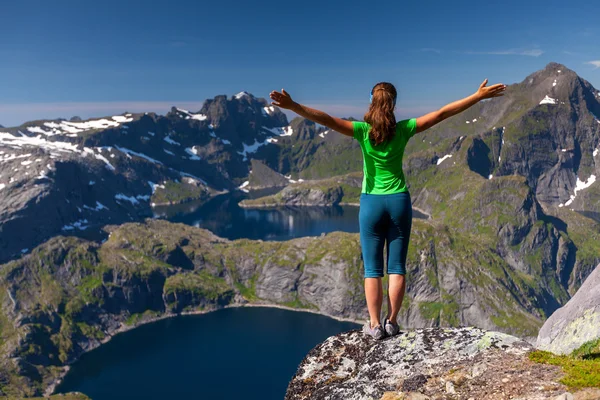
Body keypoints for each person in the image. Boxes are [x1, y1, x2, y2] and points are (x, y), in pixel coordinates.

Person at [269, 79, 506, 339]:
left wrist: (293, 106)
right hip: (399, 202)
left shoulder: (361, 131)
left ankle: (373, 325)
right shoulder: (404, 129)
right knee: (397, 266)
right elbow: (442, 113)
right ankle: (392, 321)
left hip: (371, 202)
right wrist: (477, 96)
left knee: (372, 269)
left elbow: (325, 119)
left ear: (372, 101)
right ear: (393, 103)